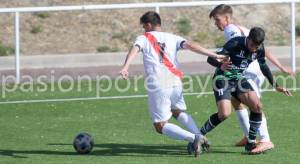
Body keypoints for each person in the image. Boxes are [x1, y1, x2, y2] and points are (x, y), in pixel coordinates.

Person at [119, 11, 223, 157]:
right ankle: (200, 135)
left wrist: (126, 66)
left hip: (158, 82)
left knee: (160, 125)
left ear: (148, 25)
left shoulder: (143, 38)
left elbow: (135, 49)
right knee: (177, 111)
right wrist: (214, 55)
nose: (143, 30)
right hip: (175, 81)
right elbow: (192, 45)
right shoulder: (173, 37)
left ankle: (195, 138)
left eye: (144, 26)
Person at [207, 4, 295, 153]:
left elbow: (240, 50)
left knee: (255, 105)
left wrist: (222, 63)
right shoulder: (245, 30)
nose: (216, 24)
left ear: (227, 18)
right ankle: (249, 135)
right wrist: (280, 66)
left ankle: (265, 140)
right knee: (237, 102)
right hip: (251, 69)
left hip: (248, 71)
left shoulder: (231, 30)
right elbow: (263, 50)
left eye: (217, 20)